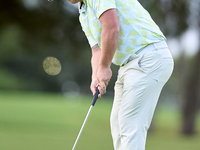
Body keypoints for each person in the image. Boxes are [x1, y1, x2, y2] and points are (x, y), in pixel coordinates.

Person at [67, 0, 174, 149]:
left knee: (130, 123)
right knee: (117, 122)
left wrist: (104, 67)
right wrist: (96, 76)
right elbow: (97, 50)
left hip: (148, 56)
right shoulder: (83, 12)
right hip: (129, 64)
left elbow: (112, 28)